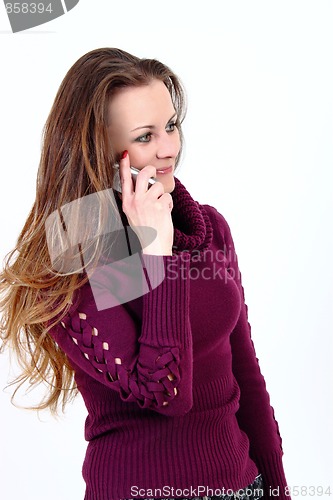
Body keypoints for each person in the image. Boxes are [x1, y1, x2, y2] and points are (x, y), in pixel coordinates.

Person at [0, 47, 291, 500]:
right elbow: (165, 393)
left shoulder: (206, 228)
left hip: (242, 486)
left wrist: (277, 491)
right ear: (99, 147)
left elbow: (246, 377)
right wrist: (156, 250)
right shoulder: (79, 253)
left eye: (171, 125)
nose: (169, 147)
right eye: (145, 136)